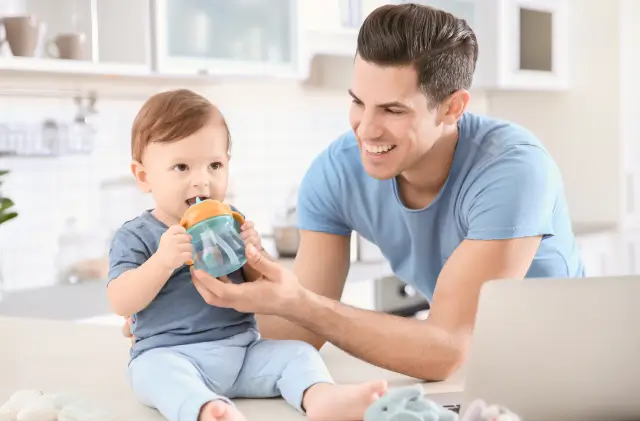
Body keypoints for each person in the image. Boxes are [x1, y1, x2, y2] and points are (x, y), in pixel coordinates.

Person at [124, 3, 584, 382]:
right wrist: (185, 324)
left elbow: (444, 350)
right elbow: (296, 330)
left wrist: (298, 301)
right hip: (467, 378)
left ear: (452, 107)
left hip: (567, 371)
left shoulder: (514, 168)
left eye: (392, 109)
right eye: (358, 101)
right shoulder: (337, 172)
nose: (365, 128)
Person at [108, 89, 388, 421]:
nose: (201, 181)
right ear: (144, 176)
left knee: (298, 353)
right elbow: (120, 300)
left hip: (242, 351)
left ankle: (320, 396)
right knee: (153, 375)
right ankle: (210, 411)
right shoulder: (137, 235)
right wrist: (161, 263)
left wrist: (255, 254)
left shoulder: (228, 222)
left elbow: (263, 287)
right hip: (172, 354)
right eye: (181, 167)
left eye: (214, 165)